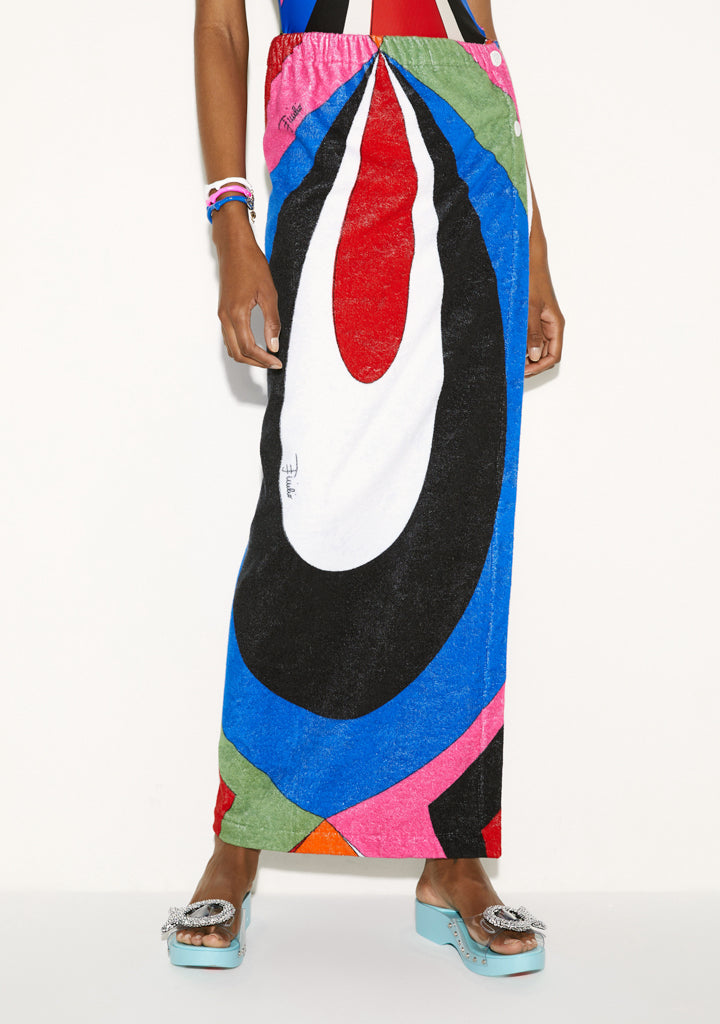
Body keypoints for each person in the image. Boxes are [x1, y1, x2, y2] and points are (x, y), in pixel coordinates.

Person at [161, 0, 564, 976]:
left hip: (471, 131)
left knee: (465, 505)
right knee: (301, 514)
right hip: (331, 110)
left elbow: (481, 30)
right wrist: (231, 225)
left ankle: (455, 858)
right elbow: (220, 28)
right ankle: (239, 837)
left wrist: (538, 245)